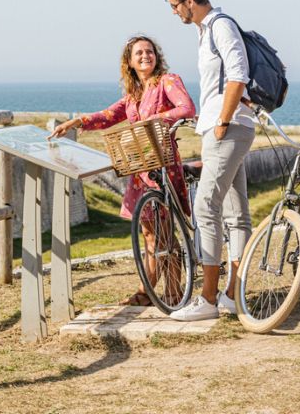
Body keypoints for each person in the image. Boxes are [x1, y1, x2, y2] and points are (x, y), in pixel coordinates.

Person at [50, 35, 196, 306]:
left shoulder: (168, 81)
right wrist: (73, 123)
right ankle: (147, 292)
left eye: (150, 51)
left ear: (157, 56)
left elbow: (187, 108)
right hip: (140, 170)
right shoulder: (132, 97)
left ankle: (174, 292)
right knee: (149, 234)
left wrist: (156, 118)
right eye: (139, 53)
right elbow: (106, 116)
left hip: (163, 167)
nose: (145, 56)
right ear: (129, 62)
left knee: (165, 232)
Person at [164, 0, 255, 321]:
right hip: (226, 129)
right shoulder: (206, 31)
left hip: (227, 130)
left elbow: (238, 75)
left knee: (205, 207)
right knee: (236, 213)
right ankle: (234, 294)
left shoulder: (220, 25)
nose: (174, 13)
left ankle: (208, 298)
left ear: (189, 0)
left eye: (175, 5)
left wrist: (221, 122)